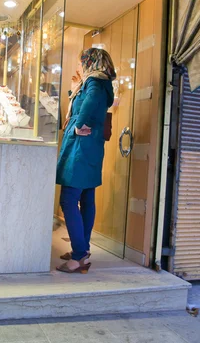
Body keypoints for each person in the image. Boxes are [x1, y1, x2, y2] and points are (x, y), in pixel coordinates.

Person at [55, 48, 116, 274]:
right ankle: (83, 250)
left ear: (90, 62)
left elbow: (89, 104)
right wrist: (75, 88)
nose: (79, 65)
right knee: (86, 197)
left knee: (69, 198)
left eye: (82, 61)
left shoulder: (95, 82)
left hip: (81, 148)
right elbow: (86, 102)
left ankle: (79, 256)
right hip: (90, 147)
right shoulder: (96, 83)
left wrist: (79, 126)